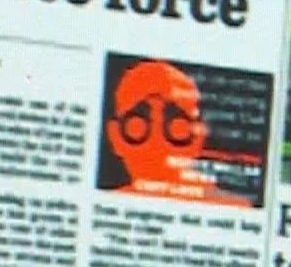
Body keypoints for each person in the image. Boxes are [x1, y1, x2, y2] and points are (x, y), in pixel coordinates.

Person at [103, 59, 248, 207]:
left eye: (177, 126)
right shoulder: (107, 204)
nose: (157, 142)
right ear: (115, 136)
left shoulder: (234, 208)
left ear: (198, 136)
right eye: (137, 126)